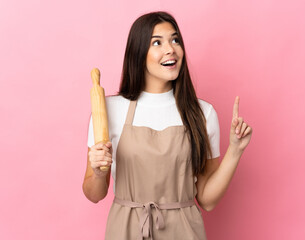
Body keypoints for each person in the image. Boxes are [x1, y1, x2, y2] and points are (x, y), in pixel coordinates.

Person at [82, 11, 252, 240]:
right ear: (139, 52)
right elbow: (94, 194)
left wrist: (235, 150)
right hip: (126, 231)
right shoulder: (108, 110)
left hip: (184, 232)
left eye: (175, 40)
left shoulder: (202, 114)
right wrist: (97, 172)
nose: (170, 48)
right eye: (157, 42)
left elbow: (207, 200)